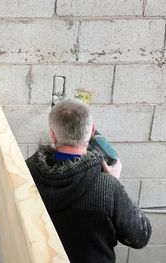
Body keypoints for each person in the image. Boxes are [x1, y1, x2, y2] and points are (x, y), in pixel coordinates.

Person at [26, 99, 151, 263]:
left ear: (53, 134)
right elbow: (140, 237)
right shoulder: (107, 187)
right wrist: (114, 182)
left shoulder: (27, 172)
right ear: (92, 131)